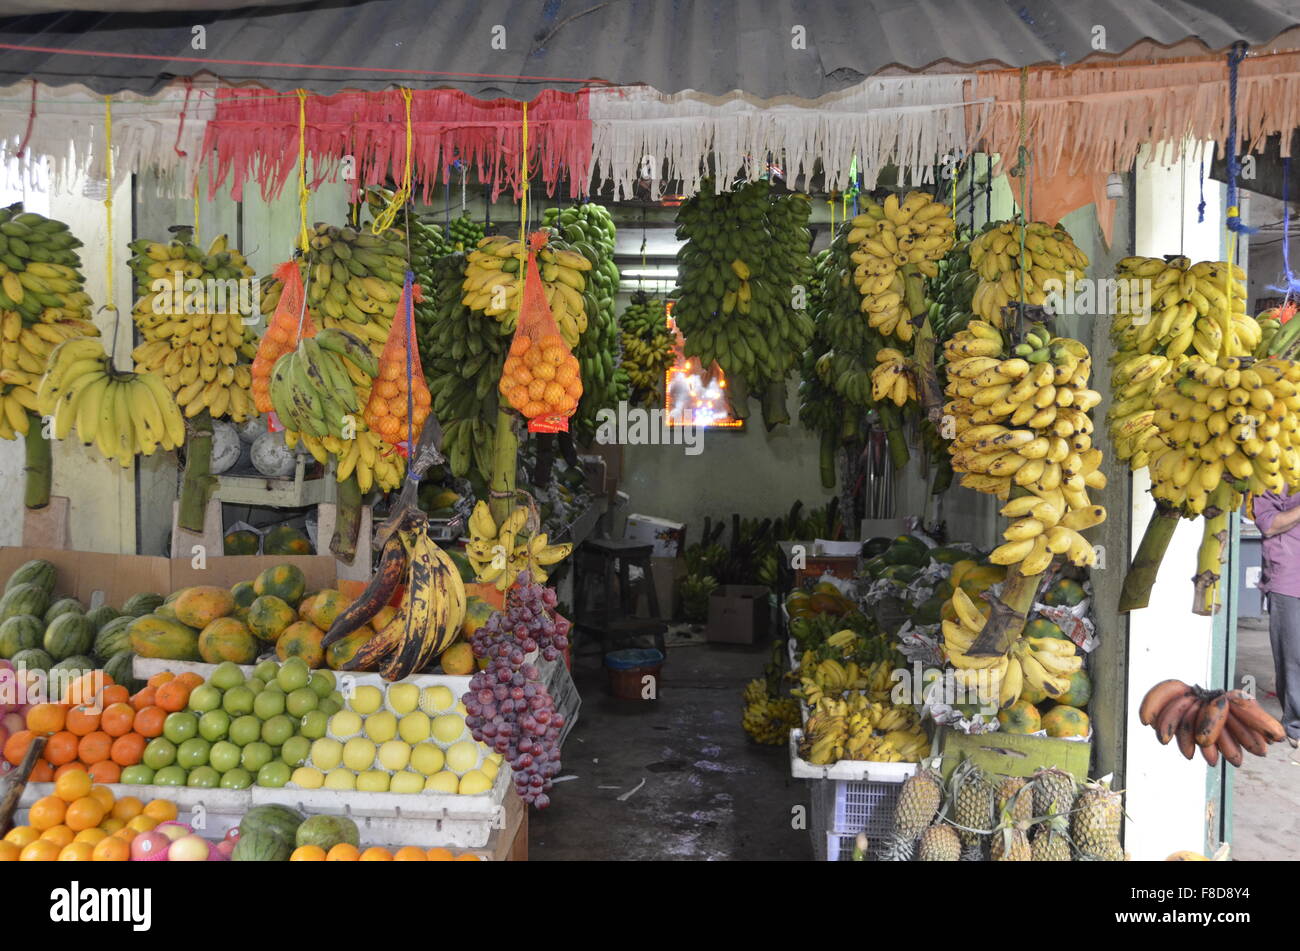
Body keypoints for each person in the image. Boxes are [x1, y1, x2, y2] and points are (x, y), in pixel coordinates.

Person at [1252, 489, 1300, 747]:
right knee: (1293, 655)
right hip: (1290, 575)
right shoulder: (1275, 467)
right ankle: (1296, 726)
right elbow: (1268, 525)